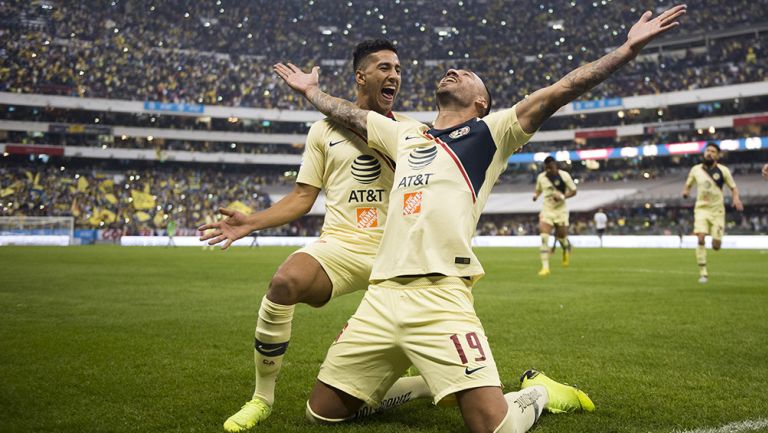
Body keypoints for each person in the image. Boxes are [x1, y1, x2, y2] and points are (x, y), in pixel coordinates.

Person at [275, 5, 685, 432]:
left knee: (494, 427)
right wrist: (309, 91)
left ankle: (540, 390)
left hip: (440, 296)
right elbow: (349, 114)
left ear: (480, 102)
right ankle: (420, 385)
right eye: (452, 69)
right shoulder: (406, 134)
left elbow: (563, 88)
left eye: (467, 73)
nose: (454, 70)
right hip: (380, 296)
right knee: (321, 413)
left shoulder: (494, 133)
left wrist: (627, 49)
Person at [199, 40, 429, 431]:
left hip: (398, 254)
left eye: (399, 69)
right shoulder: (323, 131)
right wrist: (250, 222)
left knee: (442, 370)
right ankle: (261, 398)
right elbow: (303, 197)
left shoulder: (411, 130)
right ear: (361, 76)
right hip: (342, 244)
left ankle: (424, 386)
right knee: (284, 283)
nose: (395, 76)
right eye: (385, 68)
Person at [682, 142, 743, 283]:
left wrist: (736, 198)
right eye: (707, 150)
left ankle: (716, 239)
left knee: (716, 245)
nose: (709, 153)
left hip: (717, 211)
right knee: (701, 237)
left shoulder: (723, 170)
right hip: (701, 209)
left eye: (713, 151)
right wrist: (686, 191)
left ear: (717, 155)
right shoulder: (696, 170)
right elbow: (689, 183)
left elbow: (733, 187)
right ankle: (703, 272)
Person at [533, 157, 577, 275]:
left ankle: (566, 248)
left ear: (555, 165)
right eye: (546, 168)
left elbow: (574, 191)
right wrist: (536, 196)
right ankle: (545, 268)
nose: (548, 170)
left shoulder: (564, 176)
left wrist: (562, 197)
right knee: (544, 237)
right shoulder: (541, 177)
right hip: (547, 209)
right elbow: (538, 190)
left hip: (561, 210)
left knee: (562, 237)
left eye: (550, 167)